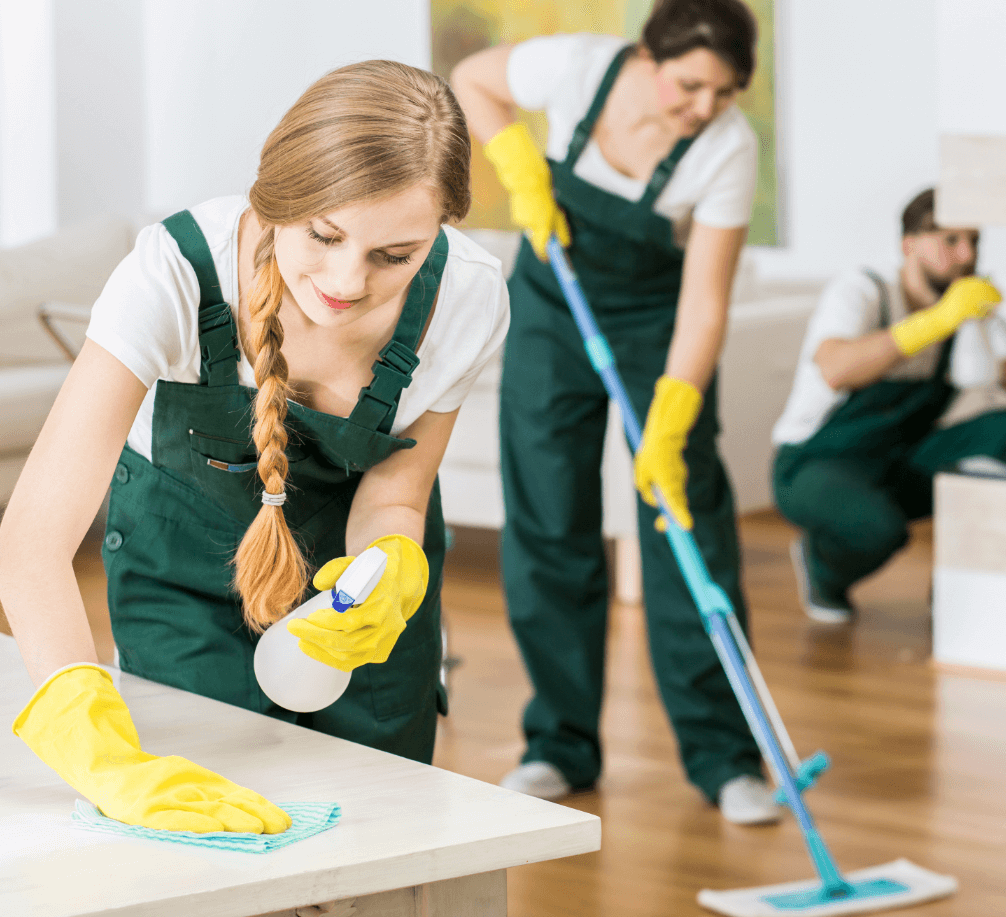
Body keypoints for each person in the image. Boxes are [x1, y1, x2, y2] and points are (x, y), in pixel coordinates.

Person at [0, 60, 509, 834]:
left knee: (382, 826)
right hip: (185, 571)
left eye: (394, 255)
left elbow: (398, 493)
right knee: (208, 827)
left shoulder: (468, 297)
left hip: (348, 598)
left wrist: (390, 573)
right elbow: (30, 540)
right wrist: (91, 743)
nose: (345, 281)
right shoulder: (171, 276)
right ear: (278, 196)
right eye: (325, 234)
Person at [452, 0, 781, 825]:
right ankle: (559, 743)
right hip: (551, 304)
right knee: (549, 518)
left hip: (653, 325)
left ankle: (725, 757)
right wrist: (521, 166)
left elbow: (705, 303)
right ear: (651, 56)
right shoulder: (579, 67)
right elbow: (472, 81)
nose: (702, 107)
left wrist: (671, 416)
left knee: (684, 521)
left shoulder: (727, 150)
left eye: (724, 92)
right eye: (689, 84)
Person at [772, 188, 1004, 624]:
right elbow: (835, 368)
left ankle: (962, 585)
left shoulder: (962, 310)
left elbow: (986, 382)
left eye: (974, 241)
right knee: (879, 529)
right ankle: (823, 566)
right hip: (815, 462)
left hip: (899, 456)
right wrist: (935, 322)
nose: (966, 255)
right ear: (909, 245)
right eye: (950, 241)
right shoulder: (863, 292)